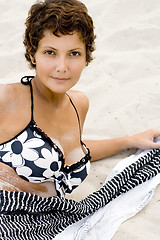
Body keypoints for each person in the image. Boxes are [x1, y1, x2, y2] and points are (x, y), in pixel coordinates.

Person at [0, 0, 160, 239]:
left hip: (56, 221)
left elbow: (73, 149)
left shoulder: (79, 104)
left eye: (74, 54)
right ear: (33, 54)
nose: (62, 67)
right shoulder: (7, 99)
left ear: (87, 58)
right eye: (50, 52)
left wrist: (130, 140)